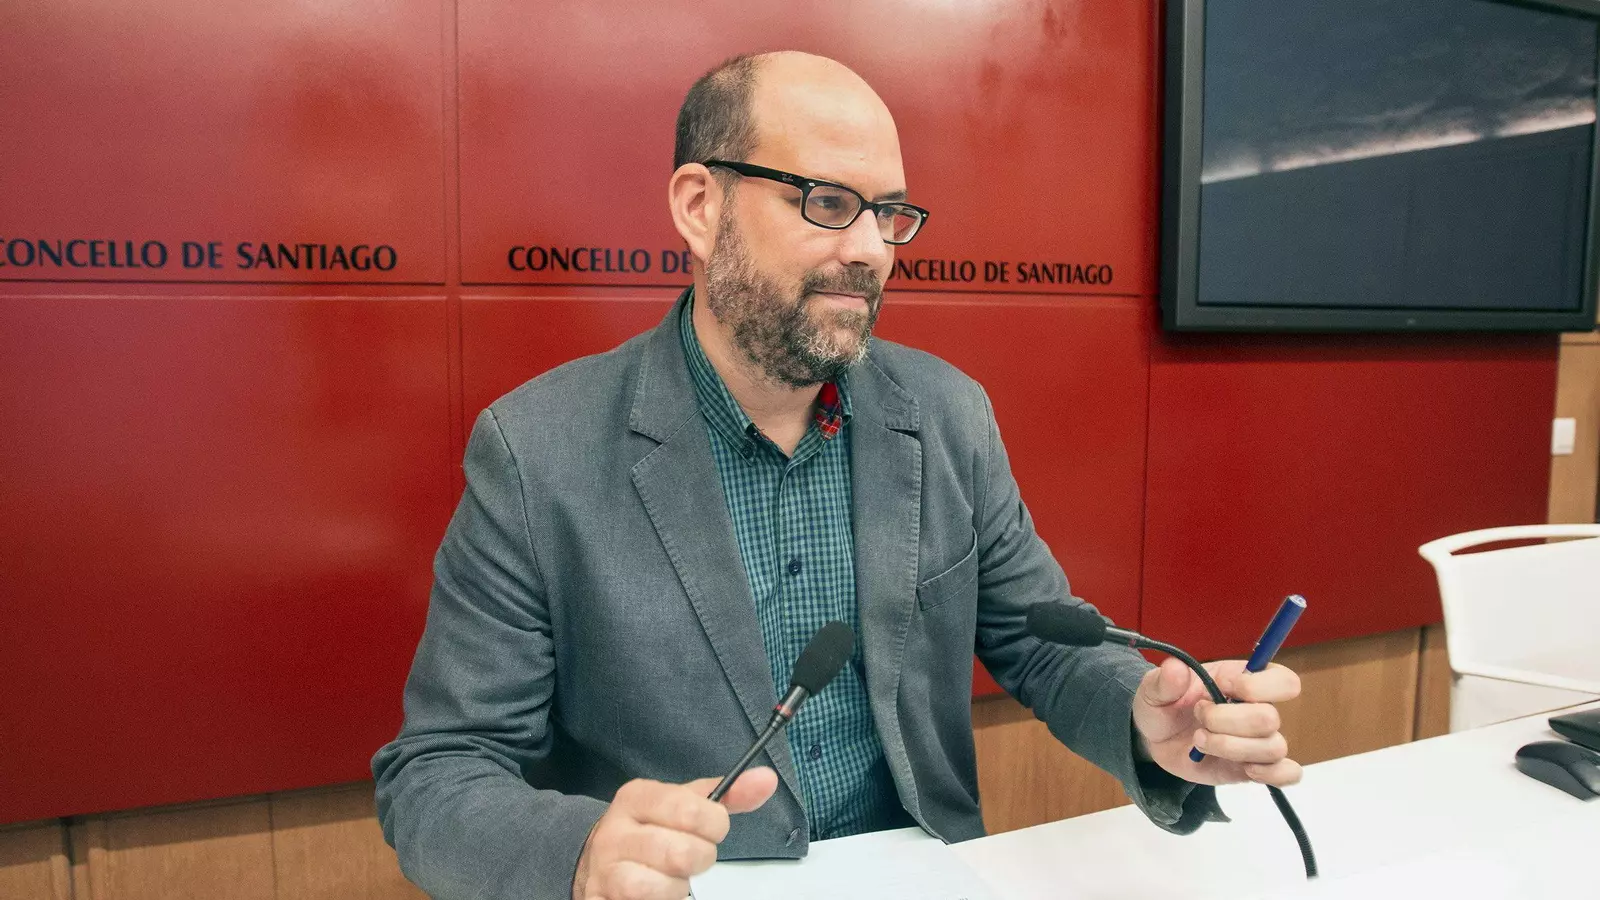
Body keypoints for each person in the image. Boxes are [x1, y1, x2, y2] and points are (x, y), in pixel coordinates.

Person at [372, 50, 1302, 900]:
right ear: (700, 207)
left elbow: (1043, 642)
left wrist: (1147, 721)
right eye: (825, 202)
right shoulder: (538, 450)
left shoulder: (945, 414)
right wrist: (581, 854)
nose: (868, 250)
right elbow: (439, 770)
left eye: (887, 213)